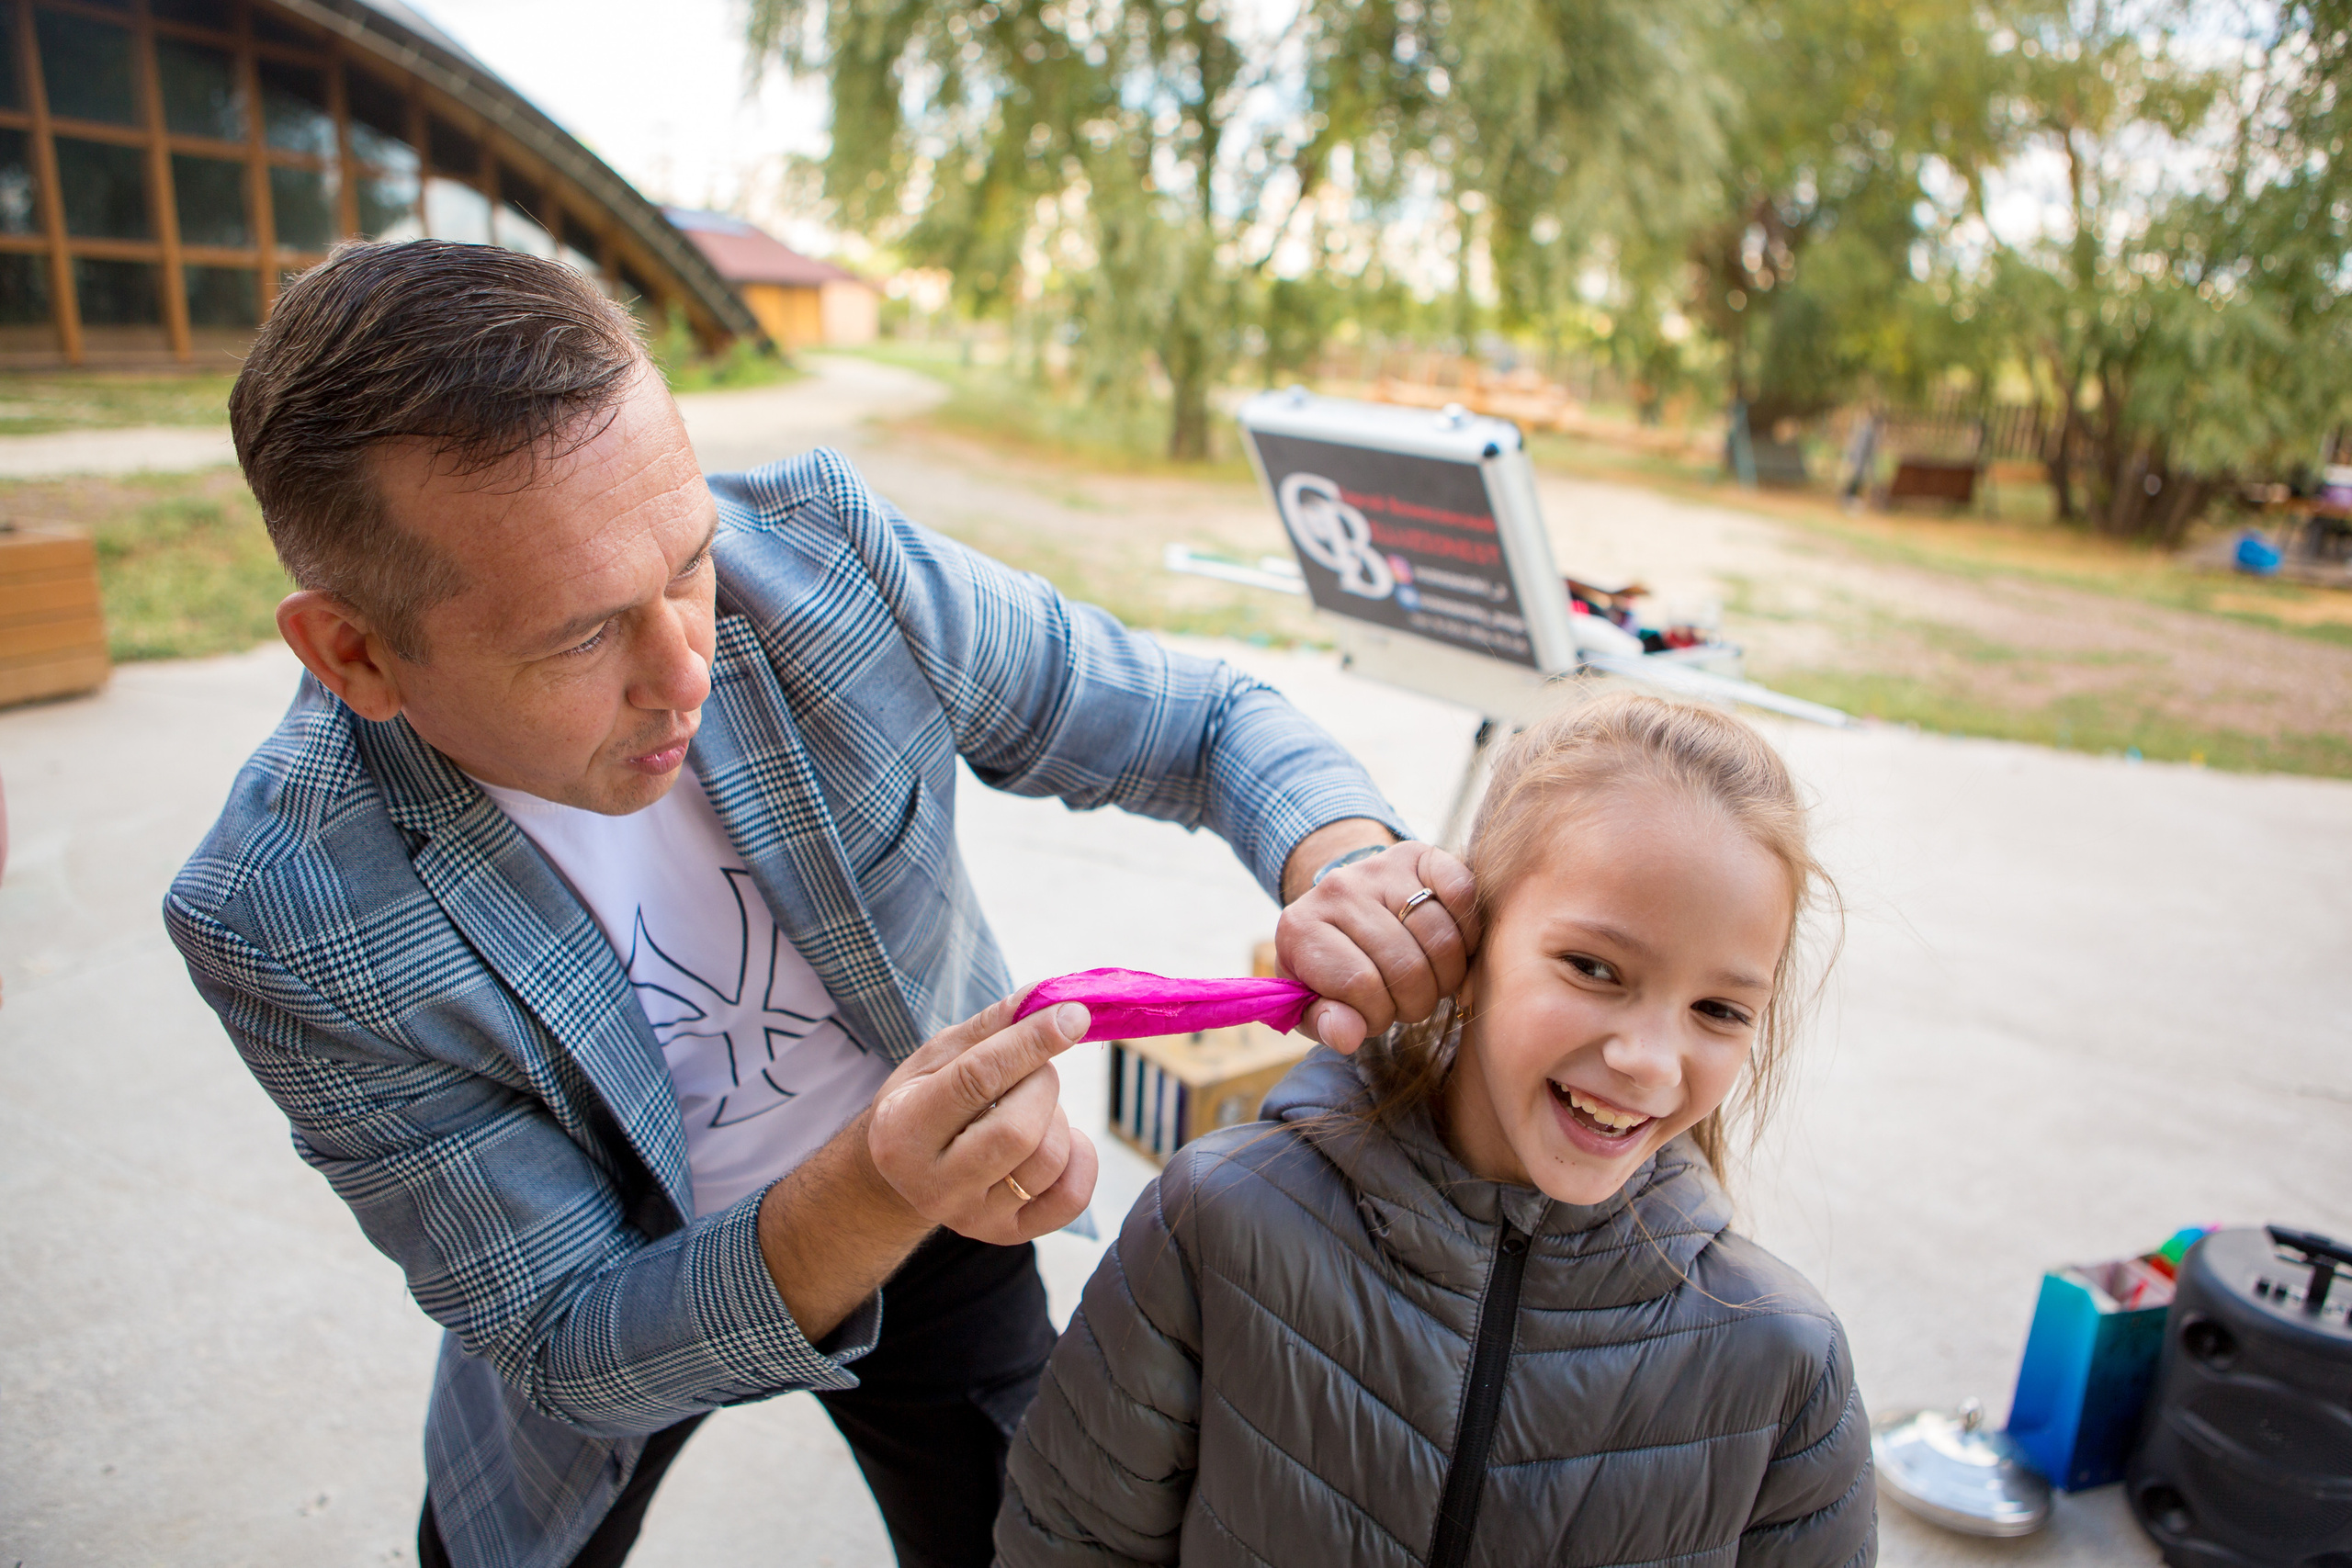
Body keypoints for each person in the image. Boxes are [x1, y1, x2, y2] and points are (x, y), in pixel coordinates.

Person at [163, 241, 1482, 1568]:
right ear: (357, 651)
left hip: (944, 1227)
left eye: (687, 561)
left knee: (1036, 1540)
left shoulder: (819, 559)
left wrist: (1344, 858)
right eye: (578, 633)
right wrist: (873, 1171)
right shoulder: (277, 913)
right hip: (621, 1284)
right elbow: (569, 1334)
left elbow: (1197, 719)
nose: (690, 666)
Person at [997, 692, 1877, 1567]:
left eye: (1720, 1008)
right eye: (1594, 966)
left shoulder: (1783, 1366)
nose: (1651, 1060)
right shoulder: (1215, 1224)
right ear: (1466, 943)